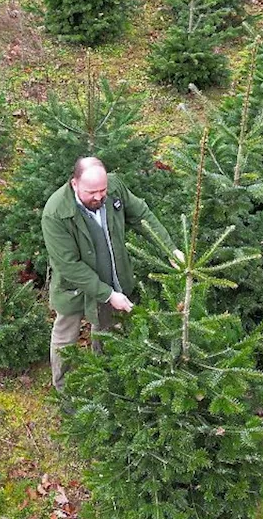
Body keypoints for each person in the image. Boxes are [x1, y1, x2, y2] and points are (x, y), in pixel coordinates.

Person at [41, 156, 179, 390]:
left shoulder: (115, 188)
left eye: (102, 190)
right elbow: (69, 265)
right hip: (73, 288)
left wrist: (170, 249)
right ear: (74, 184)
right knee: (66, 338)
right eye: (91, 192)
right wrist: (107, 294)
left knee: (107, 332)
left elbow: (142, 215)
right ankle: (64, 390)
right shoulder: (55, 213)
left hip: (112, 279)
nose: (98, 197)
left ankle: (106, 382)